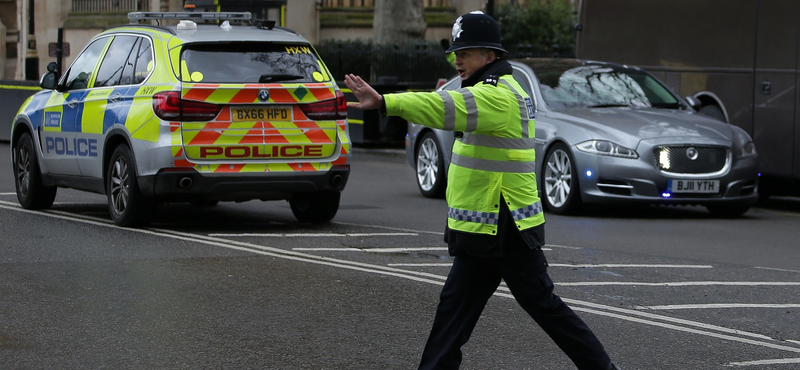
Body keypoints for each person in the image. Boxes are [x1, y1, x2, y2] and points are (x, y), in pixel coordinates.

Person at [344, 10, 621, 370]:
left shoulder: (497, 97)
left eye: (467, 52)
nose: (457, 59)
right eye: (456, 52)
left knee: (543, 307)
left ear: (490, 57)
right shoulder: (487, 88)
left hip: (506, 227)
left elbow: (443, 106)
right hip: (486, 225)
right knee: (454, 312)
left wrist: (386, 102)